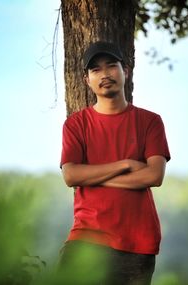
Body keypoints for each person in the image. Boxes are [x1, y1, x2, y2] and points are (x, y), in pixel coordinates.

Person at [58, 41, 171, 285]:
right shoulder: (76, 124)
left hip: (138, 243)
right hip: (86, 238)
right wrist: (126, 164)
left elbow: (154, 176)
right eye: (96, 70)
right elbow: (71, 176)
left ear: (126, 71)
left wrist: (95, 178)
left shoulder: (150, 121)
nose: (105, 74)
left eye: (111, 66)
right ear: (87, 79)